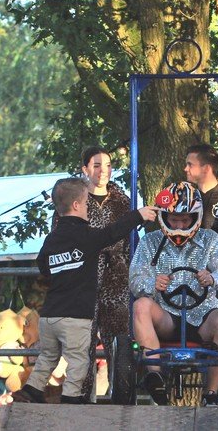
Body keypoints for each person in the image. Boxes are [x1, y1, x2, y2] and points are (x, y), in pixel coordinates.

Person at [13, 177, 158, 404]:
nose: (89, 208)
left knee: (48, 356)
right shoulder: (87, 236)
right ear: (76, 205)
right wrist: (138, 215)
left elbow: (43, 265)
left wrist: (62, 266)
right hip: (76, 315)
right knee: (79, 360)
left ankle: (32, 390)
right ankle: (71, 398)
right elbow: (112, 233)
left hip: (49, 314)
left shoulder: (52, 238)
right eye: (86, 203)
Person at [130, 181, 218, 407]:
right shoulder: (150, 241)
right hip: (166, 316)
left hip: (203, 315)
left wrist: (212, 278)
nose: (179, 225)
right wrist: (152, 283)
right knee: (140, 305)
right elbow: (135, 281)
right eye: (174, 219)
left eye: (185, 220)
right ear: (164, 217)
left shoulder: (210, 239)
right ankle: (155, 375)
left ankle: (211, 393)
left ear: (195, 217)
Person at [77, 147, 133, 402]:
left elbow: (131, 242)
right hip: (84, 277)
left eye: (108, 165)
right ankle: (82, 398)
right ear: (85, 169)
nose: (103, 171)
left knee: (119, 339)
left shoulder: (124, 202)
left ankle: (121, 395)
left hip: (118, 277)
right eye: (96, 165)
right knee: (83, 340)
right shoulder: (75, 199)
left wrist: (129, 271)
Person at [184, 143, 218, 314]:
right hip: (192, 276)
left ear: (206, 168)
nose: (185, 169)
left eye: (190, 164)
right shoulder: (187, 197)